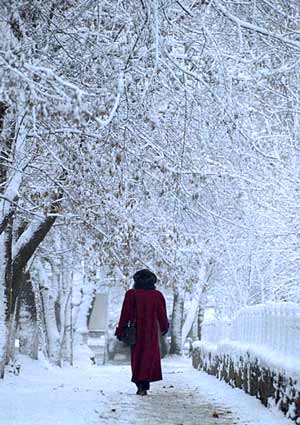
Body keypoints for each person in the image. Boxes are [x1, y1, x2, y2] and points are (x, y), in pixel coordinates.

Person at [115, 269, 169, 396]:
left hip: (136, 331)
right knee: (148, 357)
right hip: (151, 332)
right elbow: (162, 314)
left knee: (137, 357)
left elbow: (125, 314)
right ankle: (145, 383)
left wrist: (120, 329)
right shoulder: (157, 295)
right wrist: (164, 327)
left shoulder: (131, 294)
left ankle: (139, 383)